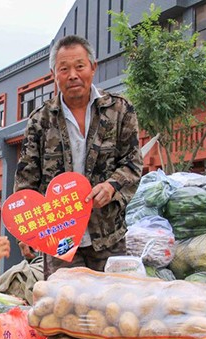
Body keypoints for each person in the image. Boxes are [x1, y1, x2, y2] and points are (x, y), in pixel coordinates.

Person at [14, 35, 143, 279]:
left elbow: (133, 162)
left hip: (108, 235)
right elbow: (26, 180)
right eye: (64, 69)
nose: (73, 74)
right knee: (65, 308)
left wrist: (111, 186)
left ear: (93, 67)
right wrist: (26, 231)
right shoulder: (40, 120)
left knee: (111, 307)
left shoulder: (120, 110)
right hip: (60, 239)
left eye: (79, 66)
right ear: (54, 74)